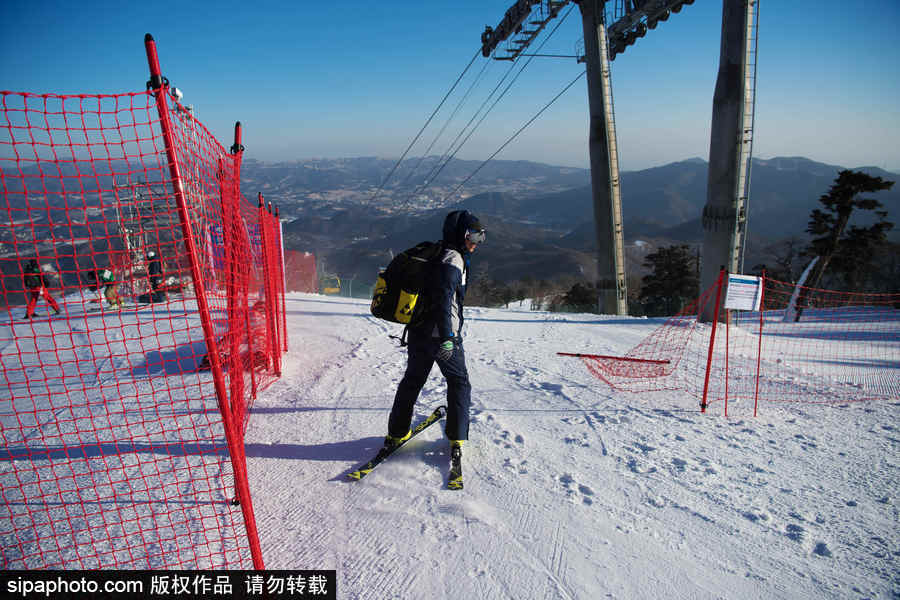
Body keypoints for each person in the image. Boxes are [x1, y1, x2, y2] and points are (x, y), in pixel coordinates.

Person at [385, 210, 486, 468]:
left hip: (418, 331)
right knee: (459, 382)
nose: (477, 243)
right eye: (474, 236)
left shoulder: (437, 252)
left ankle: (396, 433)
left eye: (481, 237)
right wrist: (448, 337)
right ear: (461, 235)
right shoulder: (454, 259)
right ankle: (457, 436)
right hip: (441, 336)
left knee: (412, 381)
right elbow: (444, 299)